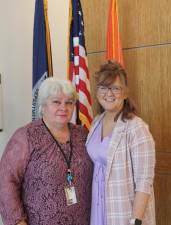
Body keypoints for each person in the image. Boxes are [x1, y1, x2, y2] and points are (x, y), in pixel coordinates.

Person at [0, 77, 93, 225]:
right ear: (43, 106)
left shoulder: (83, 135)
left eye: (69, 102)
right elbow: (5, 181)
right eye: (56, 102)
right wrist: (18, 222)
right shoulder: (26, 136)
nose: (64, 107)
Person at [86, 61, 156, 225]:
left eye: (115, 88)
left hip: (123, 211)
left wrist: (135, 221)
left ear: (125, 93)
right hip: (98, 207)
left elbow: (144, 182)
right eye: (103, 87)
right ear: (97, 91)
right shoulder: (96, 122)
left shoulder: (136, 127)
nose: (109, 93)